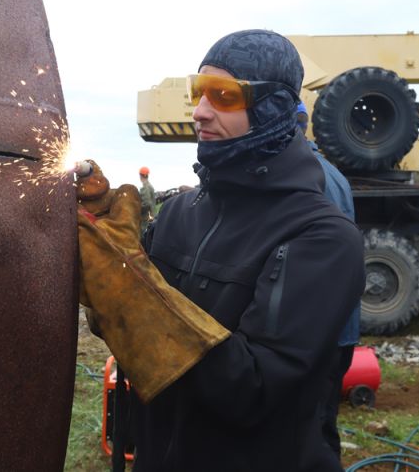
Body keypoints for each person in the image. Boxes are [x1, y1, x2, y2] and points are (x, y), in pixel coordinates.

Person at [131, 29, 366, 471]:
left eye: (222, 95)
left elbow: (252, 389)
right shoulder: (178, 212)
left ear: (272, 107)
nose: (199, 112)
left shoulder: (322, 236)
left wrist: (134, 300)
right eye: (197, 91)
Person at [296, 102, 362, 460]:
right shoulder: (334, 175)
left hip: (317, 335)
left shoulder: (301, 176)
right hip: (341, 330)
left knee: (309, 430)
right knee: (324, 422)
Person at [138, 166, 156, 233]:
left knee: (143, 237)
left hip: (145, 218)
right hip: (150, 216)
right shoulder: (149, 186)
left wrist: (137, 209)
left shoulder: (146, 187)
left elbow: (147, 203)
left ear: (140, 175)